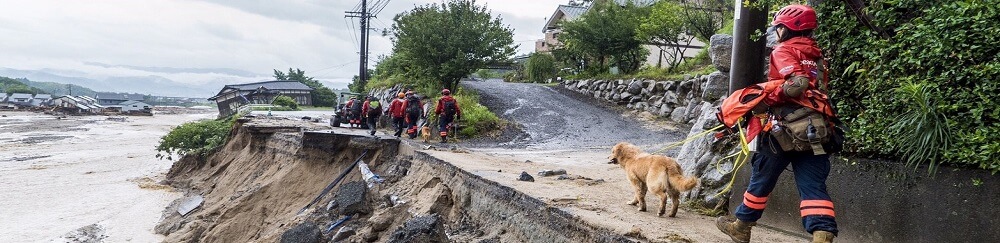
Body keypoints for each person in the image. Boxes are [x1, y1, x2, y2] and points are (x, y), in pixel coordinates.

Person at [716, 5, 839, 243]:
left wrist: (766, 97)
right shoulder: (817, 56)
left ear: (787, 29)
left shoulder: (784, 50)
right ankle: (822, 234)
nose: (777, 32)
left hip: (783, 128)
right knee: (813, 187)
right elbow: (812, 88)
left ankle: (742, 226)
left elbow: (797, 84)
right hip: (816, 128)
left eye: (778, 27)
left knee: (762, 176)